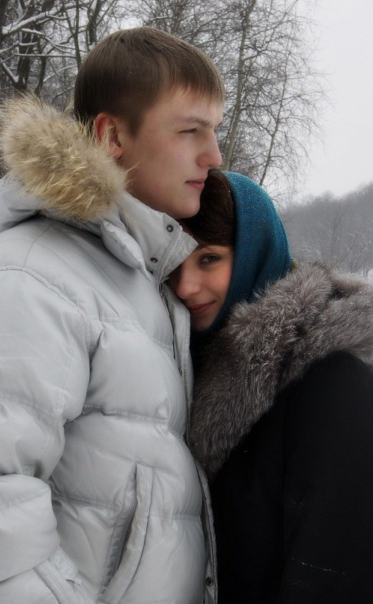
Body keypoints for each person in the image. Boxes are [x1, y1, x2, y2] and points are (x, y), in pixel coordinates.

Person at [0, 27, 224, 603]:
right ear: (112, 135)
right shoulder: (32, 276)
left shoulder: (145, 281)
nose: (213, 155)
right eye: (190, 130)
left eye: (215, 129)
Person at [168, 169, 373, 603]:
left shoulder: (333, 386)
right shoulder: (180, 373)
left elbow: (334, 574)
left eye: (209, 259)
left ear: (255, 252)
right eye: (174, 266)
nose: (185, 286)